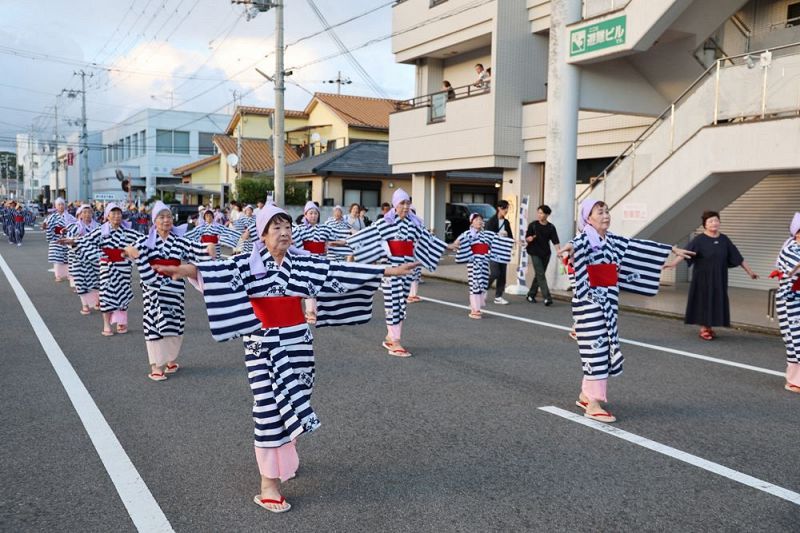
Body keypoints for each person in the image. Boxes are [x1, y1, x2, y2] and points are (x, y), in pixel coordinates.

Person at [154, 203, 419, 513]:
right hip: (262, 346)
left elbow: (338, 271)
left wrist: (386, 270)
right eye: (276, 228)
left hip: (299, 343)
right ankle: (268, 483)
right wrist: (184, 270)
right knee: (268, 408)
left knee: (296, 399)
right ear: (263, 235)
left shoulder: (303, 263)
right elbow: (213, 272)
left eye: (287, 227)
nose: (284, 233)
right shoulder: (246, 263)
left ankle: (284, 454)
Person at [561, 199, 693, 423]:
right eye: (599, 212)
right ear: (588, 218)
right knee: (597, 351)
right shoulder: (584, 239)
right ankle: (593, 404)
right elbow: (576, 245)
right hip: (590, 305)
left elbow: (636, 246)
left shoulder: (612, 240)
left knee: (603, 348)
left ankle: (585, 395)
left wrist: (669, 249)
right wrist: (570, 248)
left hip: (609, 302)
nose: (606, 215)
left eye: (607, 211)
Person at [347, 188, 447, 357]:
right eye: (402, 203)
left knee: (401, 303)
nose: (406, 207)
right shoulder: (386, 223)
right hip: (391, 269)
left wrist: (447, 246)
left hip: (407, 269)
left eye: (408, 203)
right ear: (395, 205)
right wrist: (344, 242)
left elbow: (428, 240)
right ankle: (395, 341)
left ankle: (391, 336)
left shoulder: (414, 224)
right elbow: (366, 235)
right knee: (393, 302)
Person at [123, 201, 204, 381]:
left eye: (168, 217)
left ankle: (171, 360)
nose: (166, 220)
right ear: (154, 221)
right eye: (161, 217)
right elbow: (127, 252)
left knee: (176, 322)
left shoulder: (180, 241)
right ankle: (156, 366)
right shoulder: (145, 241)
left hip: (175, 288)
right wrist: (128, 251)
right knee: (154, 323)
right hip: (153, 288)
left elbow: (199, 252)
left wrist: (210, 247)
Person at [665, 210, 758, 340]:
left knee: (716, 300)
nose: (714, 223)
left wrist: (750, 272)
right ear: (705, 224)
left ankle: (709, 327)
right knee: (704, 300)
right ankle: (704, 328)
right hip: (702, 277)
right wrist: (673, 263)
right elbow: (686, 252)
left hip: (719, 277)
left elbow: (738, 257)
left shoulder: (724, 239)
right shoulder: (699, 239)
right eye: (710, 221)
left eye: (716, 220)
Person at [69, 203, 142, 336]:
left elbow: (143, 242)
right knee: (105, 295)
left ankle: (121, 322)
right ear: (107, 216)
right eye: (113, 213)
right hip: (107, 268)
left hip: (123, 268)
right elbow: (86, 240)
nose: (116, 216)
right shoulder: (101, 231)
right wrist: (74, 242)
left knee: (123, 293)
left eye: (119, 213)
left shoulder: (129, 232)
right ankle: (106, 324)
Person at [448, 213, 513, 318]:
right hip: (473, 264)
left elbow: (497, 238)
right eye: (477, 219)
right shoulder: (467, 234)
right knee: (475, 285)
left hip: (484, 263)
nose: (479, 221)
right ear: (471, 222)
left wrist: (513, 240)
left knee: (482, 284)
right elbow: (457, 242)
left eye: (480, 219)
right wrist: (454, 246)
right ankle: (475, 309)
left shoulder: (486, 234)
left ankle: (476, 306)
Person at [772, 212, 800, 394]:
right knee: (795, 339)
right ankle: (793, 381)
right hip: (790, 299)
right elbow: (793, 268)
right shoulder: (790, 248)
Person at [63, 204, 101, 315]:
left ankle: (97, 302)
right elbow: (69, 241)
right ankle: (85, 305)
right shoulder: (75, 227)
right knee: (80, 282)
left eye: (89, 212)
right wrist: (75, 241)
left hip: (94, 258)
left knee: (97, 281)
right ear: (80, 214)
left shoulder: (98, 226)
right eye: (84, 212)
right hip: (78, 258)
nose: (87, 214)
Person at [525, 204, 561, 306]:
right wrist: (529, 238)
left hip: (546, 254)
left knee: (539, 275)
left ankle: (531, 295)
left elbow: (555, 241)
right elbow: (527, 237)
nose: (539, 215)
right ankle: (547, 297)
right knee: (540, 274)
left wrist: (559, 252)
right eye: (538, 213)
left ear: (547, 215)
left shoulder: (551, 227)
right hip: (534, 252)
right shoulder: (533, 225)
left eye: (541, 213)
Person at [486, 200, 513, 305]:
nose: (506, 210)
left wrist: (507, 235)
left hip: (503, 251)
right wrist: (498, 235)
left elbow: (510, 237)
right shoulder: (491, 221)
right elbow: (487, 237)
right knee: (495, 273)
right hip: (493, 251)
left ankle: (498, 296)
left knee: (502, 275)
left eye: (507, 208)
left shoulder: (506, 222)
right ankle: (483, 289)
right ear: (498, 208)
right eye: (504, 208)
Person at [43, 197, 75, 282]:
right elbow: (46, 225)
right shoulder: (52, 217)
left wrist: (67, 231)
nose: (61, 206)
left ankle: (69, 274)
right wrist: (46, 227)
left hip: (67, 239)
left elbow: (75, 226)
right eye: (59, 205)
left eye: (62, 204)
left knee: (68, 258)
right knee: (57, 259)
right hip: (56, 239)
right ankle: (58, 276)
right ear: (56, 206)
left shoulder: (69, 216)